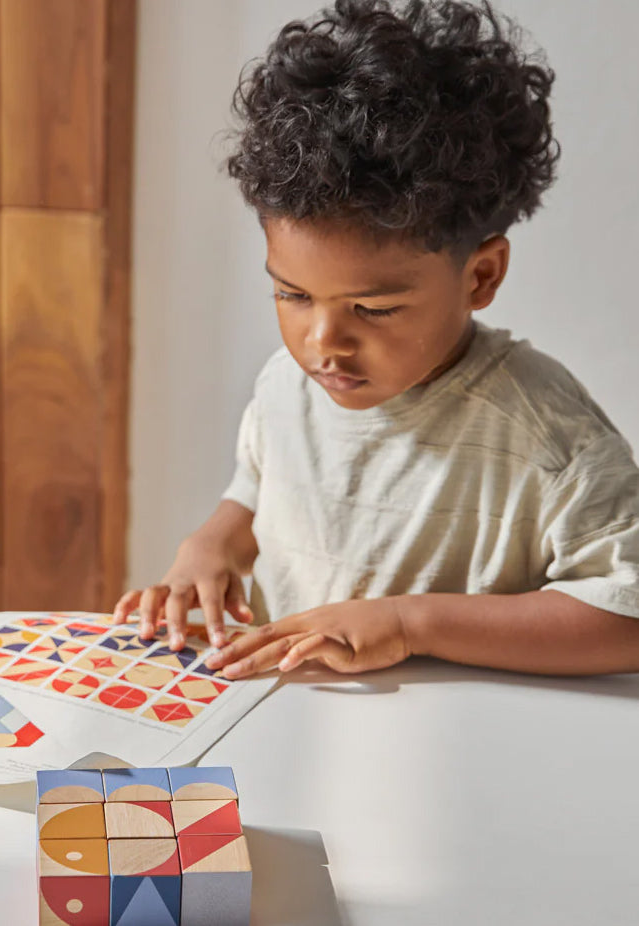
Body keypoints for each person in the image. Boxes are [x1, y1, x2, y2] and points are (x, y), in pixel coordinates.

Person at [114, 0, 639, 678]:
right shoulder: (286, 386)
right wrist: (215, 543)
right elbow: (258, 486)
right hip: (292, 727)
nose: (323, 342)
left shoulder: (545, 432)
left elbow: (626, 617)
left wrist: (406, 622)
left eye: (374, 308)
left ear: (480, 275)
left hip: (458, 756)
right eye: (293, 295)